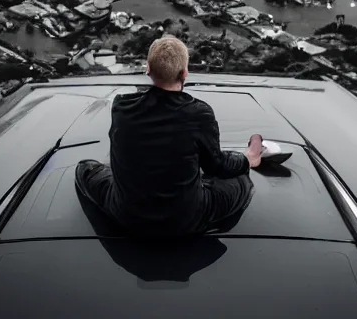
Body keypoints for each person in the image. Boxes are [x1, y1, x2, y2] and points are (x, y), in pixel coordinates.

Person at [75, 35, 263, 236]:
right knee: (242, 179)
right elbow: (215, 166)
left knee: (84, 168)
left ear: (147, 69)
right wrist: (246, 160)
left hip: (125, 216)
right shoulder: (199, 113)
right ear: (184, 73)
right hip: (186, 220)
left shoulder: (122, 106)